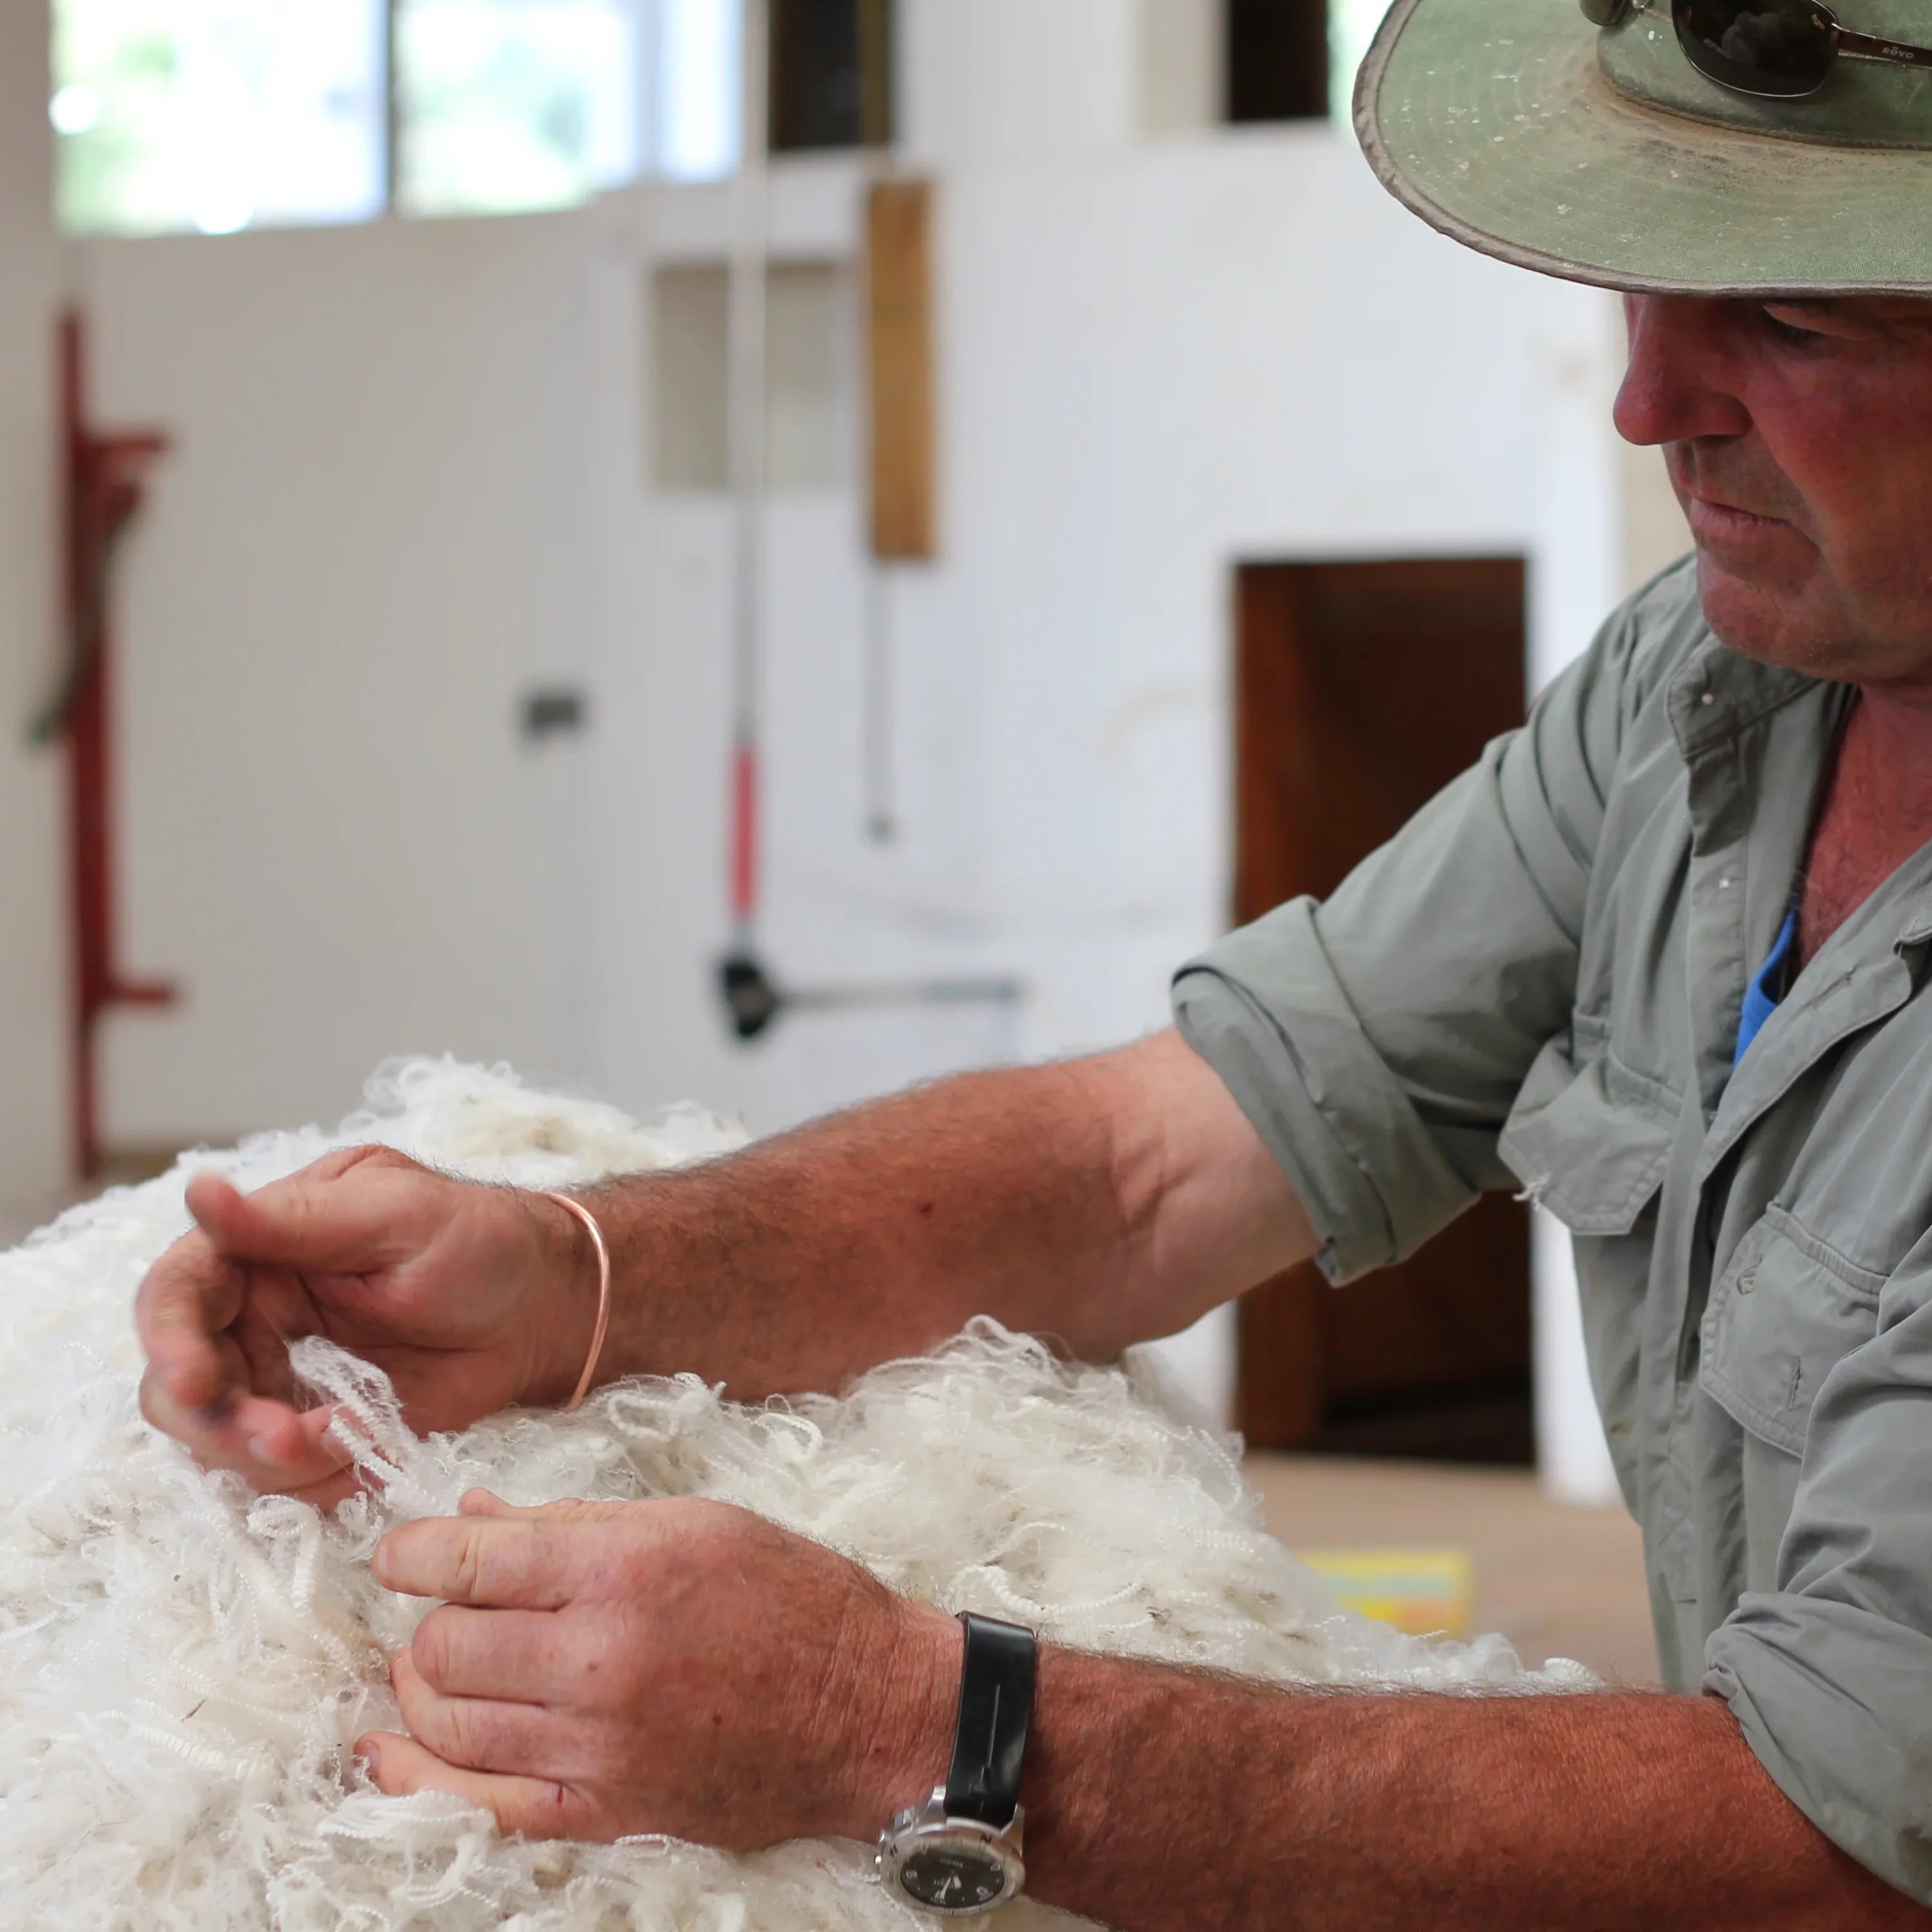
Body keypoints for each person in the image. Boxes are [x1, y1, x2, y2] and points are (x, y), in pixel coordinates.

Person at [134, 0, 1932, 1922]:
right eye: (1642, 287)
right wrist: (570, 1271)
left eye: (1794, 322)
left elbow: (1831, 1840)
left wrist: (907, 1716)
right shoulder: (1708, 695)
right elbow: (1151, 1162)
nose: (1647, 401)